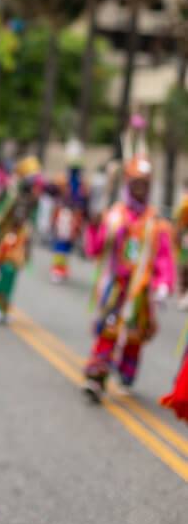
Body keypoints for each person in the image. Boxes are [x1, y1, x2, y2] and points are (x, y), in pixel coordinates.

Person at [83, 156, 176, 402]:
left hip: (141, 293)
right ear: (127, 184)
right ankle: (97, 376)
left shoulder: (157, 223)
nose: (140, 189)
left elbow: (164, 259)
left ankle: (127, 372)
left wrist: (163, 285)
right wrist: (94, 228)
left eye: (145, 184)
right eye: (136, 183)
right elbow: (95, 250)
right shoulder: (114, 217)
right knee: (109, 330)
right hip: (116, 288)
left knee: (135, 335)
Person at [0, 156, 41, 324]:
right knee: (6, 271)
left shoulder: (33, 196)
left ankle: (4, 307)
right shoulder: (11, 192)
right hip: (5, 238)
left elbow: (32, 217)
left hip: (20, 239)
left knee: (13, 273)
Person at [49, 163, 88, 284]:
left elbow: (84, 200)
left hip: (73, 215)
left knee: (66, 244)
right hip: (65, 214)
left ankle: (61, 268)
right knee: (61, 243)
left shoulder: (82, 184)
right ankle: (57, 269)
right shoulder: (63, 180)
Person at [172, 180, 188, 311]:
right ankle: (182, 294)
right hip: (185, 241)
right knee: (184, 267)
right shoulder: (184, 203)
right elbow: (178, 222)